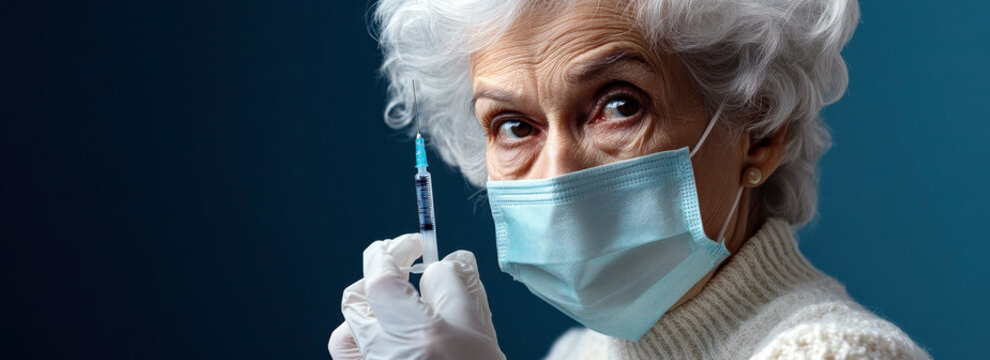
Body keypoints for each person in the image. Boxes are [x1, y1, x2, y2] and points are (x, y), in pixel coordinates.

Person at [329, 0, 931, 358]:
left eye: (619, 105)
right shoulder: (577, 354)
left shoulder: (833, 351)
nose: (559, 174)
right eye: (514, 126)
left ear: (762, 127)